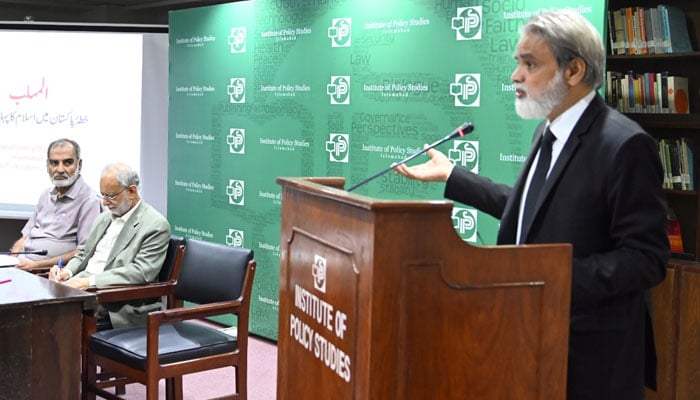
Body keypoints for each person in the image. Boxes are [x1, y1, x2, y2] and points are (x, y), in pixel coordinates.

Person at [395, 10, 670, 400]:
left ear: (573, 70)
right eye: (518, 63)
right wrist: (454, 176)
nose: (515, 76)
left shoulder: (624, 146)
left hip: (590, 359)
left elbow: (647, 258)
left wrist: (550, 277)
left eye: (530, 64)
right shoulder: (548, 129)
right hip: (529, 335)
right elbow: (534, 210)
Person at [50, 162, 171, 328]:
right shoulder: (104, 218)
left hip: (115, 301)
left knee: (50, 318)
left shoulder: (155, 225)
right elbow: (84, 254)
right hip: (82, 286)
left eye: (111, 196)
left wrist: (88, 282)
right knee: (35, 307)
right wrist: (67, 271)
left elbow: (141, 272)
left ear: (132, 191)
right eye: (103, 195)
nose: (105, 203)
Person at [10, 138, 103, 271]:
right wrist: (12, 259)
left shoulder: (89, 201)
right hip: (21, 266)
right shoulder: (45, 194)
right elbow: (25, 236)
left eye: (67, 162)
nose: (60, 169)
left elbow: (83, 253)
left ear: (79, 165)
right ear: (48, 165)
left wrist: (35, 266)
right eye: (54, 163)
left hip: (47, 273)